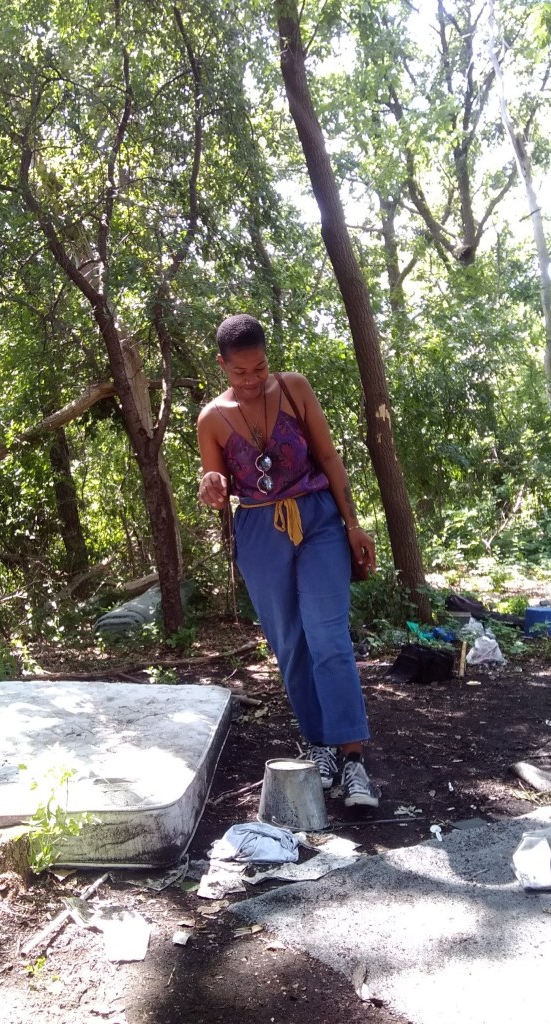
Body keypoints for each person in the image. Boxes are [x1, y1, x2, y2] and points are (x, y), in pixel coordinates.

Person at [197, 313, 379, 808]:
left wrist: (353, 524)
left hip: (318, 519)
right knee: (290, 643)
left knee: (328, 636)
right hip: (259, 531)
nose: (252, 379)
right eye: (240, 372)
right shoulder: (211, 418)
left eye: (259, 368)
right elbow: (216, 485)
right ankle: (320, 745)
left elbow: (329, 458)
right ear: (222, 365)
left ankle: (354, 759)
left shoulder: (295, 388)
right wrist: (211, 486)